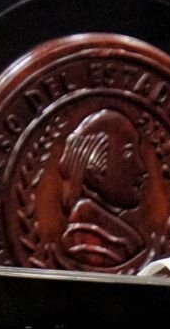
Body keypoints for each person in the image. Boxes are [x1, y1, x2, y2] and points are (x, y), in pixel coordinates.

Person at [56, 109, 150, 270]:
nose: (142, 169)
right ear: (95, 170)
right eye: (129, 155)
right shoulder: (94, 241)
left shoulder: (119, 239)